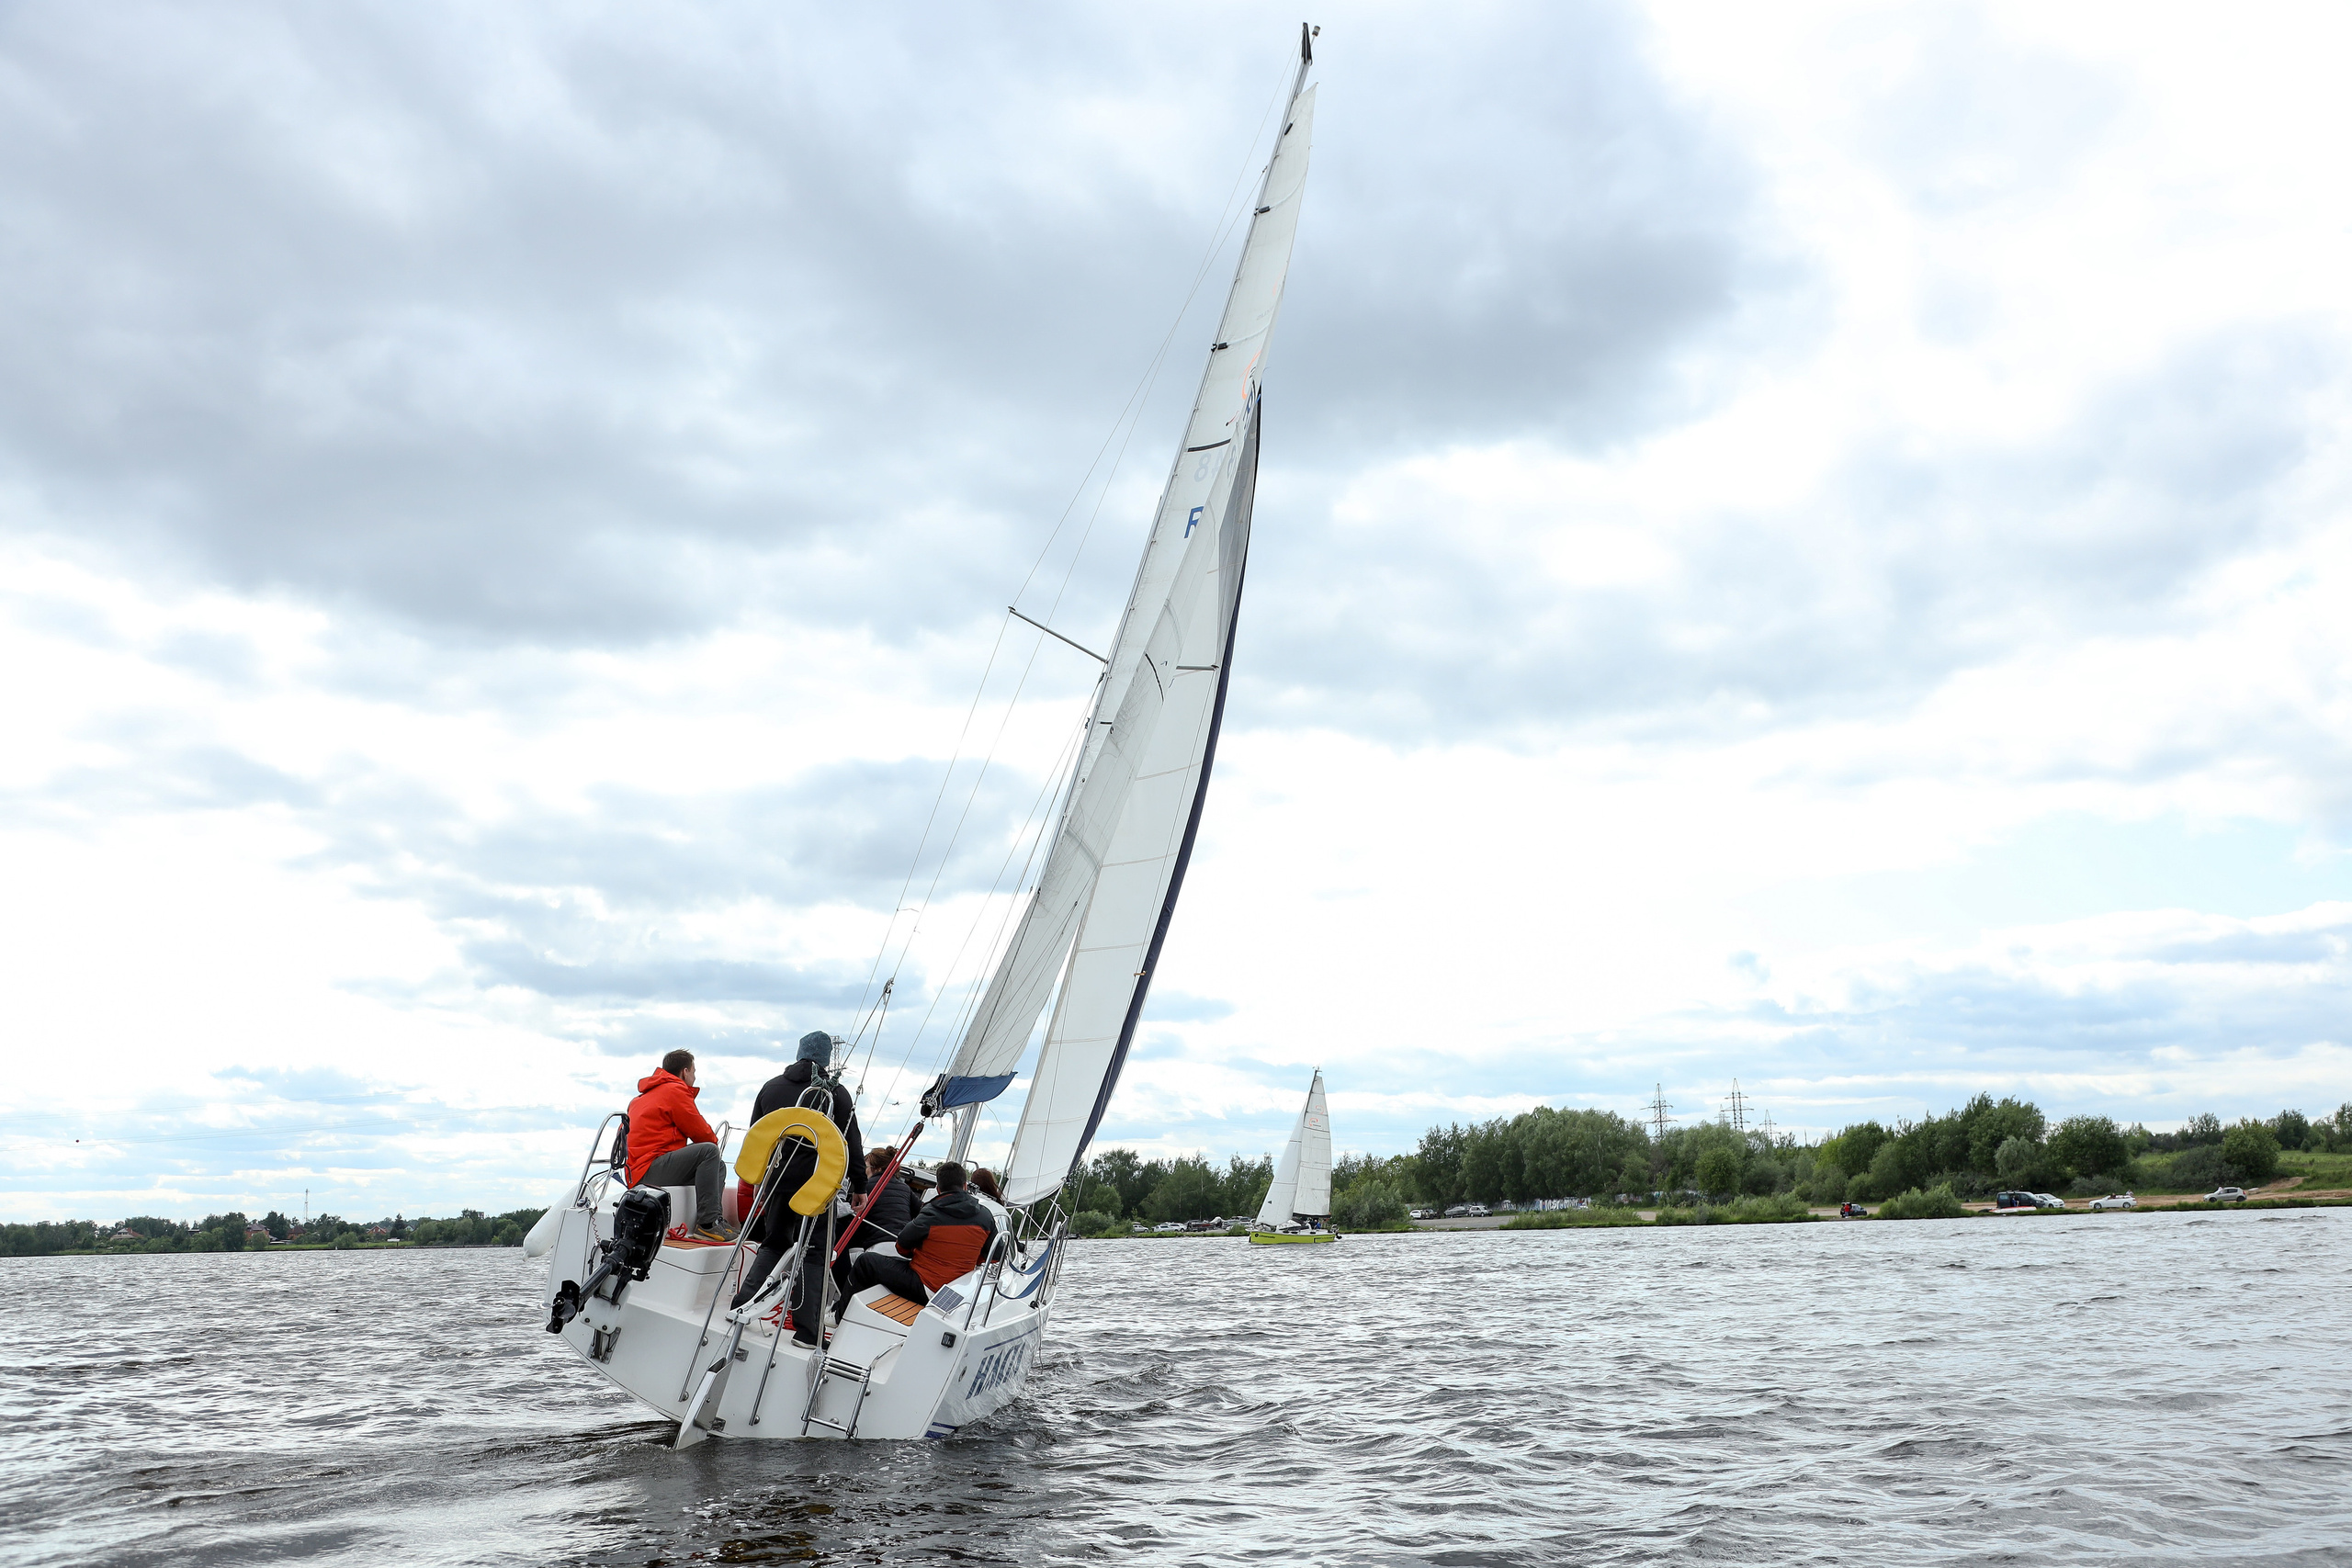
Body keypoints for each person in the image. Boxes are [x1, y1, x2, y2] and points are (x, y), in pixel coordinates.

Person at [730, 1032, 868, 1343]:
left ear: (798, 1053)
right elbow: (850, 1143)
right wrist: (860, 1184)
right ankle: (806, 1332)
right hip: (817, 1185)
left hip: (778, 1181)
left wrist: (760, 1182)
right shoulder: (838, 1094)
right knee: (814, 1254)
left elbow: (757, 1136)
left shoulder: (770, 1088)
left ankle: (743, 1305)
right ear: (826, 1059)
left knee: (774, 1242)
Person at [842, 1160, 997, 1314]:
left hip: (925, 1288)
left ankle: (839, 1314)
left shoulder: (931, 1213)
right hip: (957, 1293)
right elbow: (994, 1257)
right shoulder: (985, 1217)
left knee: (866, 1261)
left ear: (938, 1188)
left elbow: (901, 1247)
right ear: (965, 1186)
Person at [627, 1049, 729, 1242]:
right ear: (685, 1072)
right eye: (694, 1071)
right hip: (649, 1168)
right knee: (709, 1151)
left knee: (718, 1166)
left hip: (638, 1170)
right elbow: (701, 1134)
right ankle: (707, 1224)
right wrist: (714, 1147)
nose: (695, 1076)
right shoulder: (674, 1090)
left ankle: (715, 1221)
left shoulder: (642, 1097)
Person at [830, 1147, 916, 1306]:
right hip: (904, 1253)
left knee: (835, 1245)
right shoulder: (906, 1189)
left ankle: (842, 1303)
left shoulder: (866, 1188)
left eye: (865, 1167)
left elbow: (848, 1219)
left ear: (876, 1169)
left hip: (877, 1251)